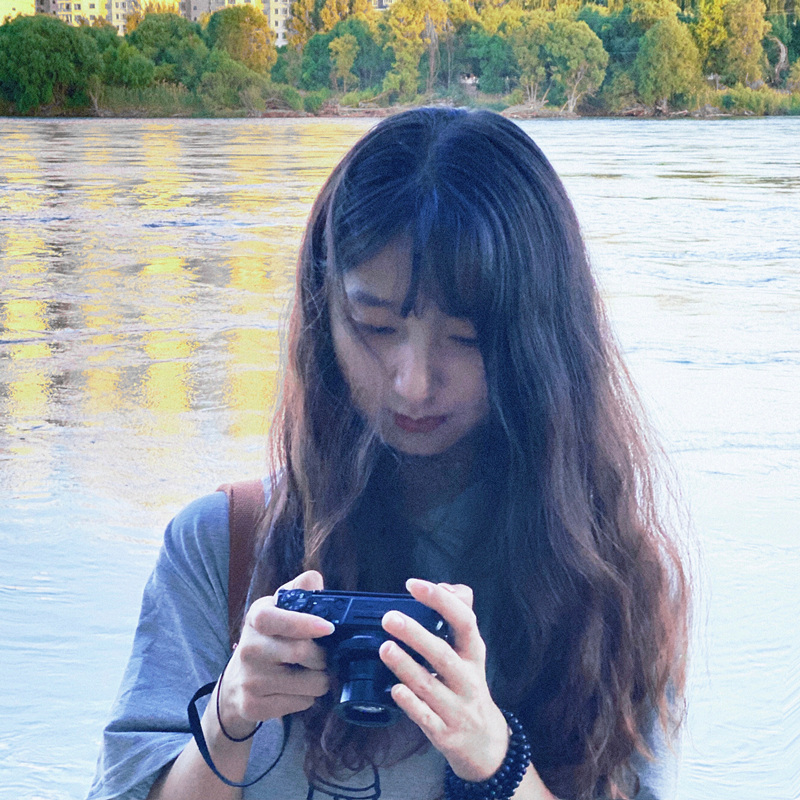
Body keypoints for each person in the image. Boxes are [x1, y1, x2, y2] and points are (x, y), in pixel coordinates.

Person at [87, 107, 690, 800]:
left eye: (465, 338)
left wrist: (495, 759)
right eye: (375, 326)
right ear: (325, 315)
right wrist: (229, 714)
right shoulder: (222, 547)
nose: (413, 382)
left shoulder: (613, 580)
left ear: (540, 341)